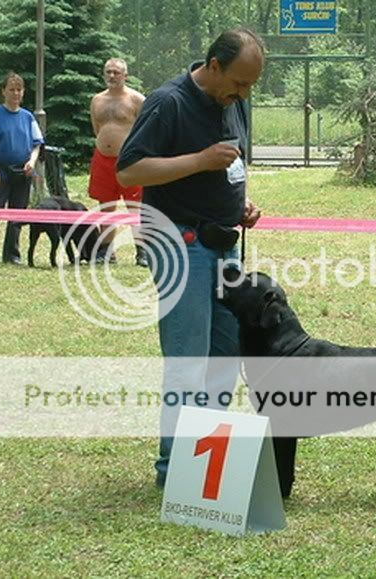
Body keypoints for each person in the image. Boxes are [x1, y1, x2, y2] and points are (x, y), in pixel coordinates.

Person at [116, 28, 264, 487]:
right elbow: (129, 168)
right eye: (239, 83)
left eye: (251, 86)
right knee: (188, 360)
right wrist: (198, 160)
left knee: (225, 353)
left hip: (225, 242)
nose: (243, 93)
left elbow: (234, 164)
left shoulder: (234, 101)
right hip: (181, 244)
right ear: (214, 66)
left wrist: (241, 204)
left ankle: (205, 466)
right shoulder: (168, 102)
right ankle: (173, 471)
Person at [89, 57, 147, 266]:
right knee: (106, 207)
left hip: (129, 163)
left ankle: (142, 252)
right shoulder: (97, 100)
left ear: (125, 75)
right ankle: (106, 252)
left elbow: (146, 130)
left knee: (135, 207)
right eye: (108, 72)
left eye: (116, 72)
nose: (111, 76)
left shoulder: (137, 99)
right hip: (102, 160)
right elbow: (97, 128)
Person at [0, 72, 44, 264]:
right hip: (0, 172)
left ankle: (12, 255)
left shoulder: (28, 117)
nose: (15, 93)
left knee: (17, 215)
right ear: (3, 91)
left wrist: (31, 162)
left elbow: (37, 144)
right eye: (11, 89)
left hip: (23, 172)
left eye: (19, 90)